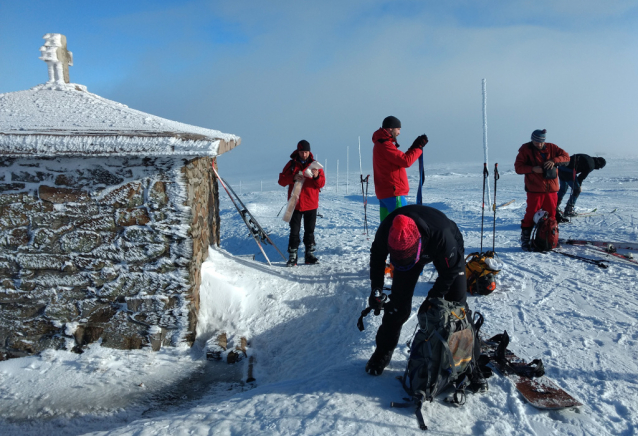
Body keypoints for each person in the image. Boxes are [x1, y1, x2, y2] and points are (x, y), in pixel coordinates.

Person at [365, 205, 468, 376]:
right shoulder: (386, 229)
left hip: (446, 248)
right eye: (396, 261)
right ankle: (382, 352)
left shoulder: (442, 236)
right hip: (410, 254)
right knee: (398, 306)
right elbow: (377, 256)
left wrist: (432, 299)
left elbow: (450, 272)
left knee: (456, 304)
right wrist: (376, 289)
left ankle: (459, 357)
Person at [514, 129, 569, 251]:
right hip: (535, 190)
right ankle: (525, 240)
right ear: (532, 139)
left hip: (551, 190)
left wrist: (554, 160)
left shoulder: (552, 147)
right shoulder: (525, 149)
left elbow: (566, 157)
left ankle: (550, 238)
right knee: (530, 215)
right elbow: (518, 168)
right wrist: (533, 169)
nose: (538, 144)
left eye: (540, 142)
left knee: (552, 215)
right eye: (535, 141)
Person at [278, 140, 326, 266]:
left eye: (306, 152)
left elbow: (321, 184)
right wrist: (292, 178)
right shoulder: (291, 164)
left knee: (309, 231)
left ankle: (309, 255)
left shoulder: (315, 166)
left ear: (309, 152)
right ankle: (293, 256)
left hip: (311, 204)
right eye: (302, 152)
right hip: (295, 204)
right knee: (294, 231)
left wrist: (316, 176)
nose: (304, 155)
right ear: (298, 151)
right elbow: (281, 181)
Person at [372, 116, 428, 222]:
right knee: (402, 225)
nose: (399, 132)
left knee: (387, 227)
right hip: (393, 192)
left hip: (385, 193)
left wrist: (414, 148)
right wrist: (418, 148)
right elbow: (406, 161)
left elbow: (400, 159)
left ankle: (385, 239)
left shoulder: (380, 143)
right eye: (398, 129)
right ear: (390, 128)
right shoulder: (385, 145)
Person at [556, 154, 606, 219]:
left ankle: (554, 206)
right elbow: (581, 178)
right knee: (576, 190)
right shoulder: (591, 165)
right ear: (598, 164)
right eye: (599, 167)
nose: (598, 169)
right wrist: (579, 186)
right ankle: (569, 210)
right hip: (569, 171)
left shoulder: (588, 157)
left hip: (561, 168)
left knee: (563, 189)